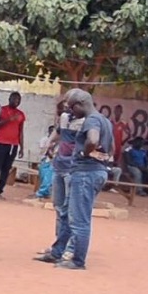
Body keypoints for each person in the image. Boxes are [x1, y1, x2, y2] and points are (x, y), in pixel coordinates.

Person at [56, 89, 113, 271]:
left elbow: (93, 139)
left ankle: (78, 260)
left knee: (79, 220)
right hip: (97, 171)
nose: (71, 111)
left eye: (72, 107)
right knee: (81, 216)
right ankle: (68, 254)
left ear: (80, 104)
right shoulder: (105, 120)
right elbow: (111, 147)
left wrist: (85, 152)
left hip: (85, 173)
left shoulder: (92, 120)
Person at [34, 99, 83, 264]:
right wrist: (49, 143)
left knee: (69, 211)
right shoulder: (64, 118)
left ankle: (69, 248)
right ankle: (58, 247)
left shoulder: (86, 121)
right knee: (59, 208)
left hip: (72, 169)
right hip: (59, 166)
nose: (67, 109)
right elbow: (58, 132)